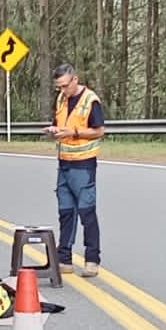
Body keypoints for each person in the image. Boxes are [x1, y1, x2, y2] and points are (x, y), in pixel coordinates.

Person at [46, 61, 105, 277]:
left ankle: (92, 259)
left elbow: (99, 131)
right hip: (64, 164)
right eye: (58, 87)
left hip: (83, 164)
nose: (62, 90)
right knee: (65, 212)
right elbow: (60, 122)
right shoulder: (61, 99)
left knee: (86, 212)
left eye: (64, 86)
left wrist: (74, 132)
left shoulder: (90, 100)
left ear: (75, 79)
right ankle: (64, 260)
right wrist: (54, 130)